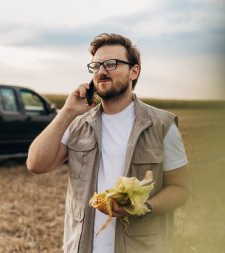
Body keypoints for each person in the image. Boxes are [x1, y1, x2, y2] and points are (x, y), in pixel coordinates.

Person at [26, 33, 189, 253]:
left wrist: (142, 207)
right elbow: (36, 164)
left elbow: (180, 189)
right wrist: (67, 112)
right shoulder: (78, 125)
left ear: (134, 71)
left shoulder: (162, 126)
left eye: (111, 64)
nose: (101, 71)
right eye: (96, 66)